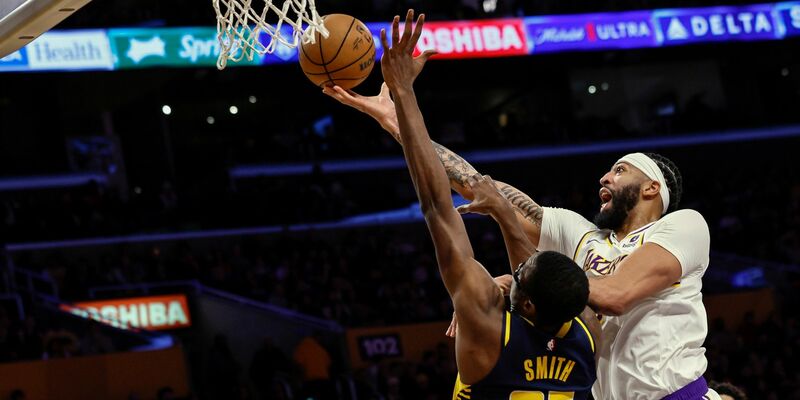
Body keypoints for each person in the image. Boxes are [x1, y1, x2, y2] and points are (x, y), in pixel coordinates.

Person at [324, 20, 716, 400]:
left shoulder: (684, 226)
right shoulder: (580, 234)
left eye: (619, 170)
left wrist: (524, 283)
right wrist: (397, 119)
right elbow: (476, 186)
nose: (604, 177)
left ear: (652, 188)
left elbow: (616, 295)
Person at [376, 10, 599, 399]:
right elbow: (531, 274)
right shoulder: (587, 331)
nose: (512, 270)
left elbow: (436, 205)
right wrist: (502, 215)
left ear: (526, 304)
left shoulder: (486, 324)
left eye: (519, 273)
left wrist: (404, 93)